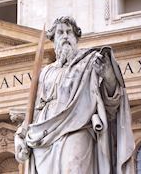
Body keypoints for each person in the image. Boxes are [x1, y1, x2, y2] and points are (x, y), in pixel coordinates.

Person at [14, 16, 135, 174]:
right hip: (45, 133)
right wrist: (22, 134)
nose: (65, 36)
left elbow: (111, 102)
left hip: (78, 125)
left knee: (74, 167)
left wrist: (108, 77)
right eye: (60, 33)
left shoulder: (89, 62)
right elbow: (35, 110)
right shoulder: (45, 73)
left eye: (69, 32)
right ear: (53, 39)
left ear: (76, 37)